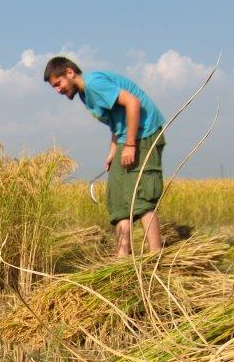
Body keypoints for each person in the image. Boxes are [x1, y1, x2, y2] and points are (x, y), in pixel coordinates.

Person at [44, 57, 165, 256]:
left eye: (58, 84)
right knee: (117, 201)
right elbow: (117, 119)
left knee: (141, 197)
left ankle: (156, 256)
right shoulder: (85, 94)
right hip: (126, 139)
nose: (58, 90)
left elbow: (133, 103)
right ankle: (122, 257)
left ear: (70, 73)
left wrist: (130, 145)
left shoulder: (93, 84)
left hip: (144, 134)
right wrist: (113, 150)